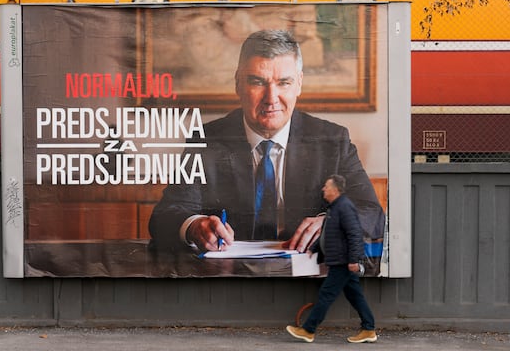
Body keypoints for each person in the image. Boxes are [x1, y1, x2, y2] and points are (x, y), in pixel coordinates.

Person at [148, 29, 385, 262]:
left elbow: (372, 214)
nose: (271, 98)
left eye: (284, 82)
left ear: (299, 84)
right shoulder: (207, 140)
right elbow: (165, 216)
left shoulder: (332, 140)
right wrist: (193, 226)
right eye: (257, 82)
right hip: (229, 279)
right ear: (238, 84)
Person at [286, 174, 377, 344]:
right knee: (355, 296)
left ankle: (308, 330)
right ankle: (369, 329)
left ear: (335, 190)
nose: (323, 189)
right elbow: (329, 234)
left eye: (326, 186)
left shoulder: (344, 207)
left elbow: (355, 234)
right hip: (341, 260)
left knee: (326, 295)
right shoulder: (335, 208)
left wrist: (353, 260)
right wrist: (313, 248)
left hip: (342, 261)